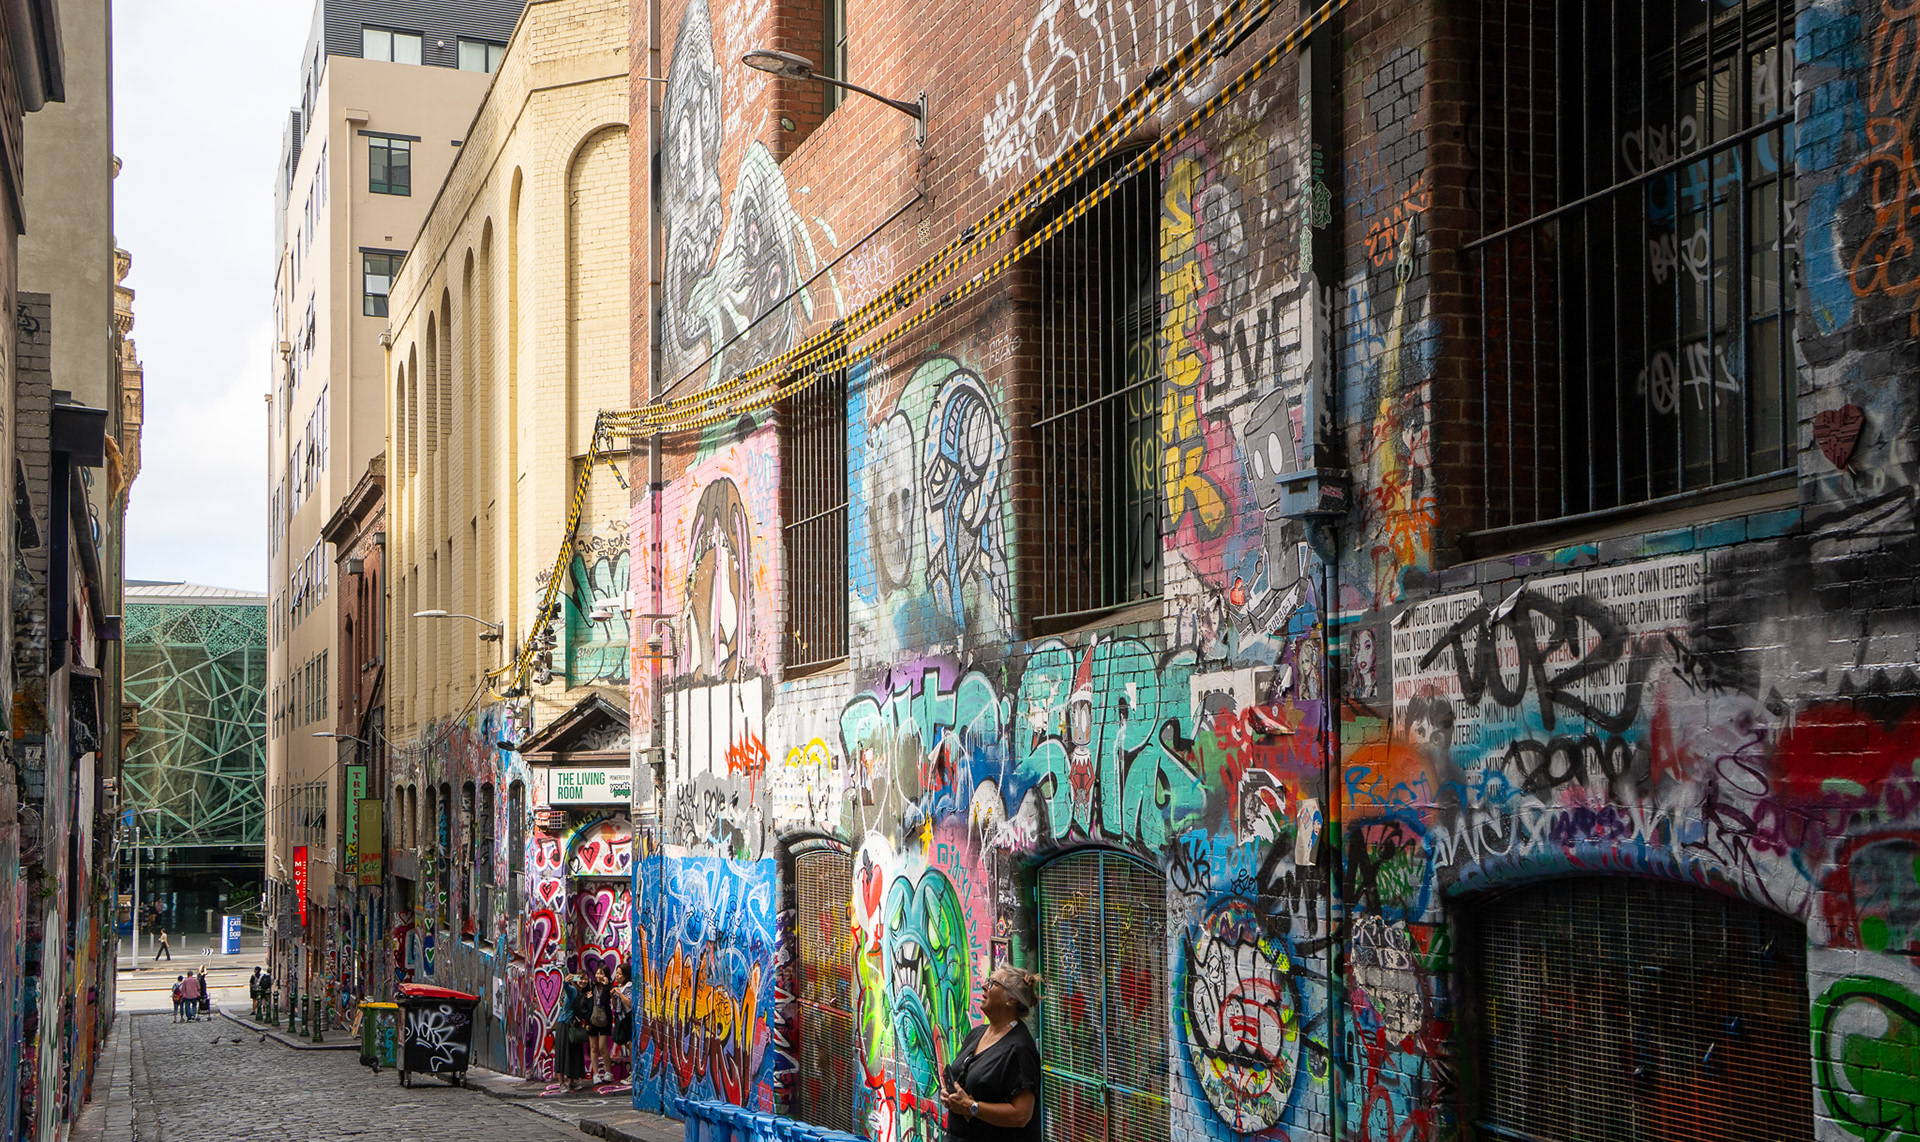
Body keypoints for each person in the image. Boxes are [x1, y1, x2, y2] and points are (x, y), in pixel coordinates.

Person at [940, 967, 1043, 1141]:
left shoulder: (1019, 1048)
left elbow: (1021, 1115)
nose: (984, 987)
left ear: (1011, 999)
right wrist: (949, 1095)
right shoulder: (977, 1034)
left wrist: (972, 1107)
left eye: (993, 983)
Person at [555, 973, 591, 1091]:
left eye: (585, 979)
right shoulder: (573, 991)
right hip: (565, 1025)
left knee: (573, 1053)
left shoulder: (582, 994)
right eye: (580, 978)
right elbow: (566, 987)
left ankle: (571, 1081)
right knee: (563, 1053)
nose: (583, 981)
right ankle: (561, 1083)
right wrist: (565, 981)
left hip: (573, 1026)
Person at [584, 966, 617, 1084]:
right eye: (597, 973)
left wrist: (607, 986)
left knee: (602, 1047)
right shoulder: (592, 987)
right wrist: (587, 1022)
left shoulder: (609, 988)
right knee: (593, 1047)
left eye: (601, 974)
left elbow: (606, 1001)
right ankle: (596, 1073)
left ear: (606, 975)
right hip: (592, 1018)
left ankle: (608, 1072)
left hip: (604, 1019)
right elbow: (587, 1005)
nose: (598, 976)